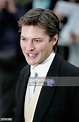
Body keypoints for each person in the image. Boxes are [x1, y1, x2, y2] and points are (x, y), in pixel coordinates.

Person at [14, 8, 79, 122]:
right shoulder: (24, 73)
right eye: (24, 39)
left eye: (37, 40)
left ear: (54, 39)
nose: (29, 47)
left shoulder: (74, 78)